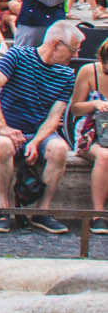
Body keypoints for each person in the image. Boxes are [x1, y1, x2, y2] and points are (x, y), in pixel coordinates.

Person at [0, 24, 82, 234]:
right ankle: (3, 208)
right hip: (8, 127)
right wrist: (3, 126)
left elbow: (55, 116)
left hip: (40, 131)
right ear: (56, 44)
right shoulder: (17, 56)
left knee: (59, 149)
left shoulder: (66, 75)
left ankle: (42, 211)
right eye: (73, 49)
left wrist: (36, 141)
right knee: (3, 144)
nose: (77, 54)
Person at [67, 46, 108, 237]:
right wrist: (94, 104)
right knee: (105, 156)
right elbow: (75, 109)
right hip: (91, 132)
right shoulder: (89, 72)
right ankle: (97, 214)